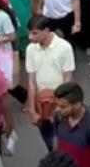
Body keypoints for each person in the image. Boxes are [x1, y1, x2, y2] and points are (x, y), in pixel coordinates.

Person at [25, 16, 75, 150]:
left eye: (34, 33)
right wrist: (32, 109)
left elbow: (68, 79)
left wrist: (60, 106)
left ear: (46, 30)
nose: (30, 37)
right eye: (30, 33)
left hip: (60, 102)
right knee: (48, 138)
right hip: (41, 103)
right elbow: (31, 80)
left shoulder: (64, 48)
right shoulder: (30, 49)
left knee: (64, 139)